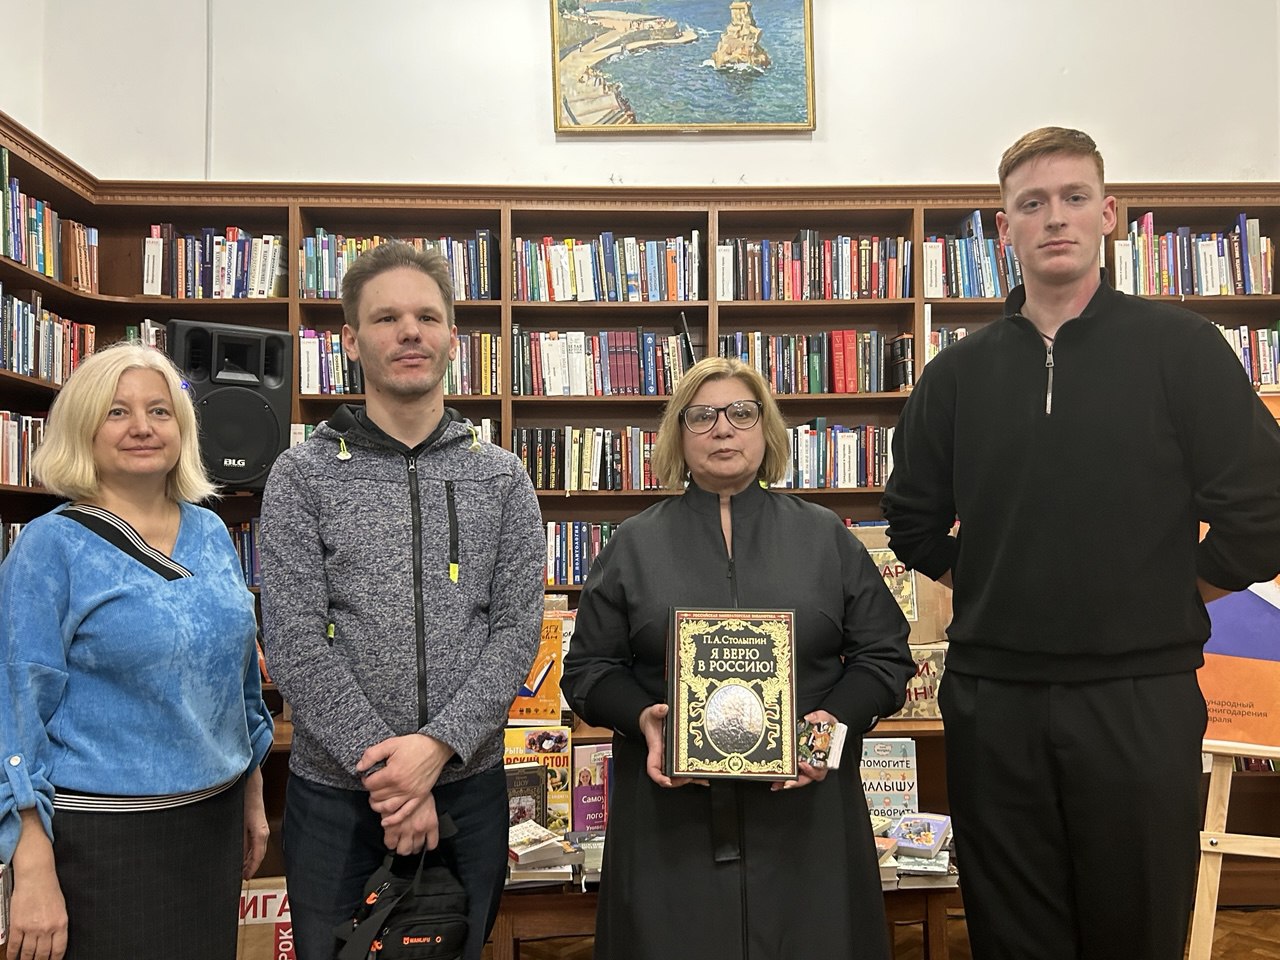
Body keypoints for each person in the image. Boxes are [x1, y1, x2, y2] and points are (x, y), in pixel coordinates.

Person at [881, 126, 1280, 960]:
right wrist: (991, 582)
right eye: (1032, 204)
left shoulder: (1182, 350)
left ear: (1109, 213)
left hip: (1139, 693)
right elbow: (912, 521)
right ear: (1004, 229)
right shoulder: (958, 374)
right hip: (995, 699)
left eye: (1073, 197)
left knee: (1136, 925)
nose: (1054, 217)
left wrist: (1177, 591)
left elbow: (1265, 510)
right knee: (1011, 931)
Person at [562, 356, 914, 960]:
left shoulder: (825, 536)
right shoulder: (634, 544)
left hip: (808, 822)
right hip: (670, 827)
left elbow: (885, 657)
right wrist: (644, 718)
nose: (722, 428)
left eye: (741, 413)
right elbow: (588, 671)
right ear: (677, 435)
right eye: (701, 416)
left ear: (766, 429)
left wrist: (830, 724)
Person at [258, 242, 545, 960]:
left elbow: (516, 632)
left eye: (427, 317)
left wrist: (434, 751)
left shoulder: (503, 477)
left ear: (453, 337)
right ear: (351, 340)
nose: (409, 331)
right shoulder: (301, 474)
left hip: (468, 791)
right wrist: (391, 777)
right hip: (336, 799)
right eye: (386, 318)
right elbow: (292, 639)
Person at [0, 342, 274, 960]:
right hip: (103, 842)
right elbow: (13, 713)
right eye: (117, 412)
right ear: (83, 428)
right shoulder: (49, 548)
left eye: (159, 410)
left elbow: (238, 683)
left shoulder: (210, 531)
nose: (142, 427)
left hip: (212, 825)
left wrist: (252, 791)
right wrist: (32, 866)